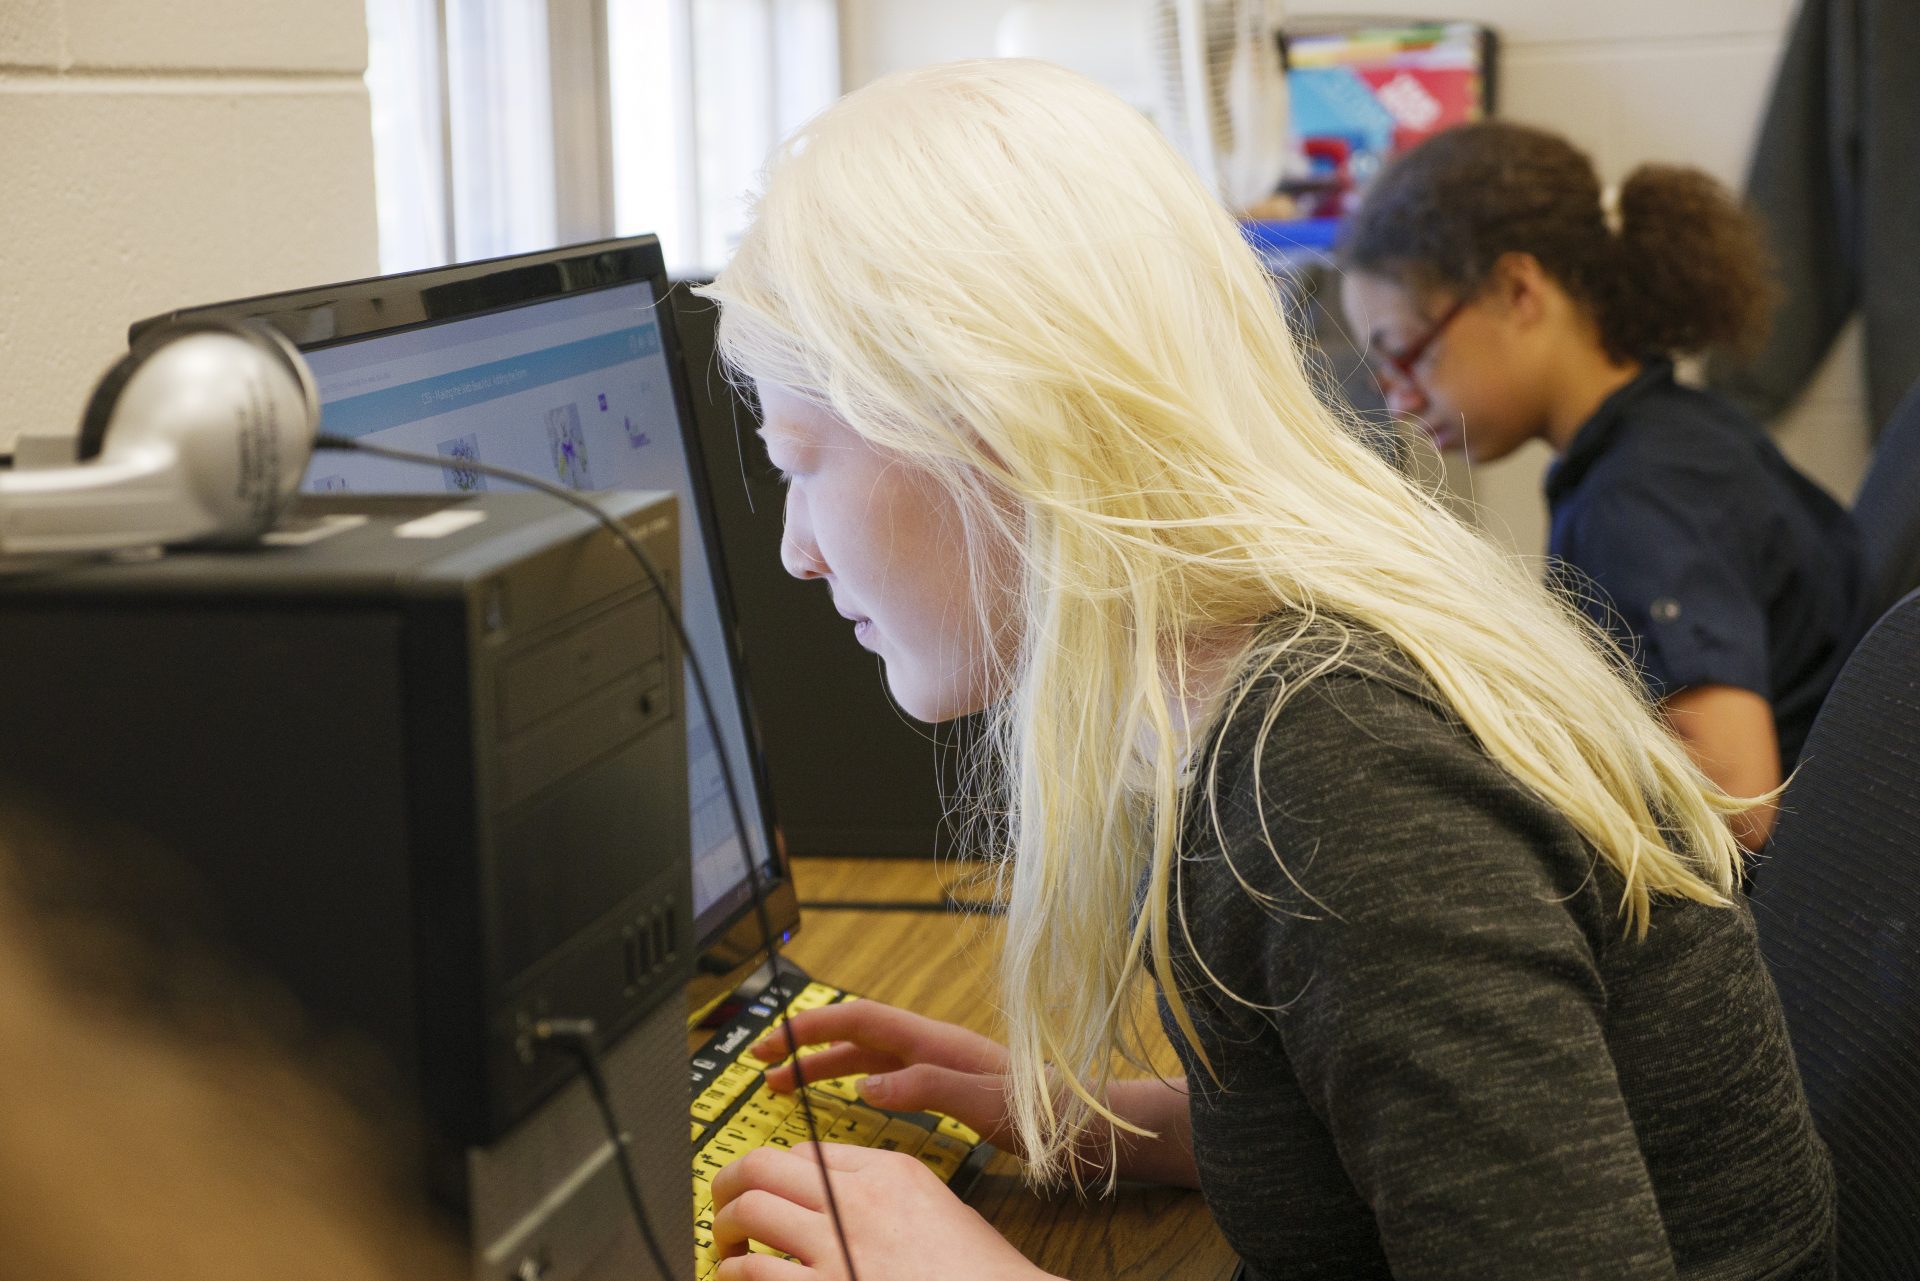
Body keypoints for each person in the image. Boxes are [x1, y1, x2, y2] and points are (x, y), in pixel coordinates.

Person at [700, 60, 1834, 1281]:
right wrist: (1135, 1126)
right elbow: (1432, 1137)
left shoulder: (1338, 773)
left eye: (800, 459)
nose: (798, 550)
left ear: (996, 426)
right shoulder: (1278, 671)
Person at [1337, 121, 1865, 850]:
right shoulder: (1676, 430)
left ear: (1519, 291)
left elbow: (1738, 801)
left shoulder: (1640, 497)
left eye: (1406, 355)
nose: (1398, 401)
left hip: (1781, 894)